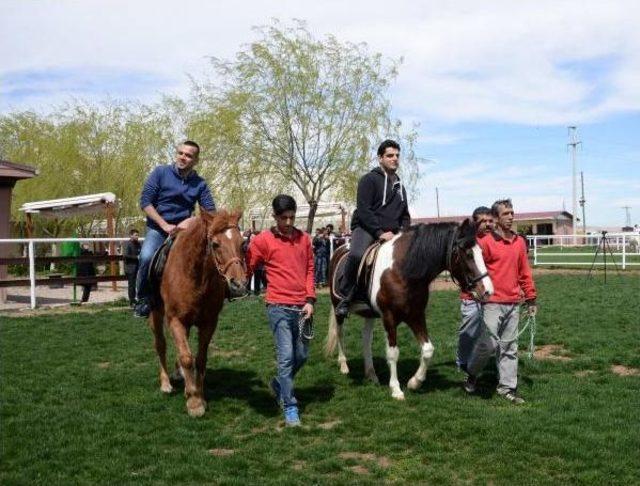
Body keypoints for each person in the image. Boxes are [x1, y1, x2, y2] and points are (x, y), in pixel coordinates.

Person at [245, 194, 315, 427]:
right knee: (285, 358)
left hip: (302, 307)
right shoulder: (262, 241)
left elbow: (309, 269)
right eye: (283, 218)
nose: (288, 222)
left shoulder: (304, 239)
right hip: (278, 307)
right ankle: (290, 405)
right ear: (274, 216)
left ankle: (278, 384)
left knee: (302, 356)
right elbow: (249, 267)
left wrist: (310, 300)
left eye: (292, 217)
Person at [464, 199, 537, 404]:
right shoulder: (485, 243)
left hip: (513, 302)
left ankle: (507, 388)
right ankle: (471, 373)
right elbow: (475, 270)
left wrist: (531, 299)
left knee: (510, 348)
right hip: (492, 302)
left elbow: (524, 273)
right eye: (506, 213)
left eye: (512, 212)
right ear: (495, 218)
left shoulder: (519, 242)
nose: (511, 216)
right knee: (488, 345)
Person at [134, 141, 215, 317]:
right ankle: (143, 299)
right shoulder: (160, 173)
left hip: (184, 231)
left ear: (196, 160)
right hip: (158, 229)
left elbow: (210, 212)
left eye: (188, 155)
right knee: (146, 257)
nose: (183, 157)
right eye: (181, 153)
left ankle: (213, 293)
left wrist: (190, 221)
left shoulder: (200, 184)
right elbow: (145, 202)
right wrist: (164, 225)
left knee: (207, 257)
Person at [335, 139, 411, 317]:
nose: (395, 159)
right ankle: (346, 297)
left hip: (393, 234)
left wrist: (403, 233)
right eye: (390, 155)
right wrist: (379, 232)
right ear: (380, 158)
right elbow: (364, 210)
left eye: (397, 156)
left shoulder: (400, 187)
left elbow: (405, 215)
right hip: (367, 228)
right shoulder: (368, 180)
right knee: (356, 255)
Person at [456, 207, 494, 372]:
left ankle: (484, 361)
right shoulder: (469, 244)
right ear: (474, 222)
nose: (487, 224)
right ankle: (462, 362)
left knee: (488, 333)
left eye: (490, 221)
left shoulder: (495, 241)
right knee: (469, 333)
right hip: (471, 296)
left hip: (491, 294)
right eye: (482, 221)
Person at [123, 229, 141, 307]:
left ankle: (139, 299)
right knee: (132, 285)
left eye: (138, 235)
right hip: (130, 268)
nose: (137, 237)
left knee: (139, 284)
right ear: (131, 235)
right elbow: (126, 255)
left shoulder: (138, 244)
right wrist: (136, 257)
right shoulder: (128, 244)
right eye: (136, 235)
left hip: (138, 267)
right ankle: (132, 301)